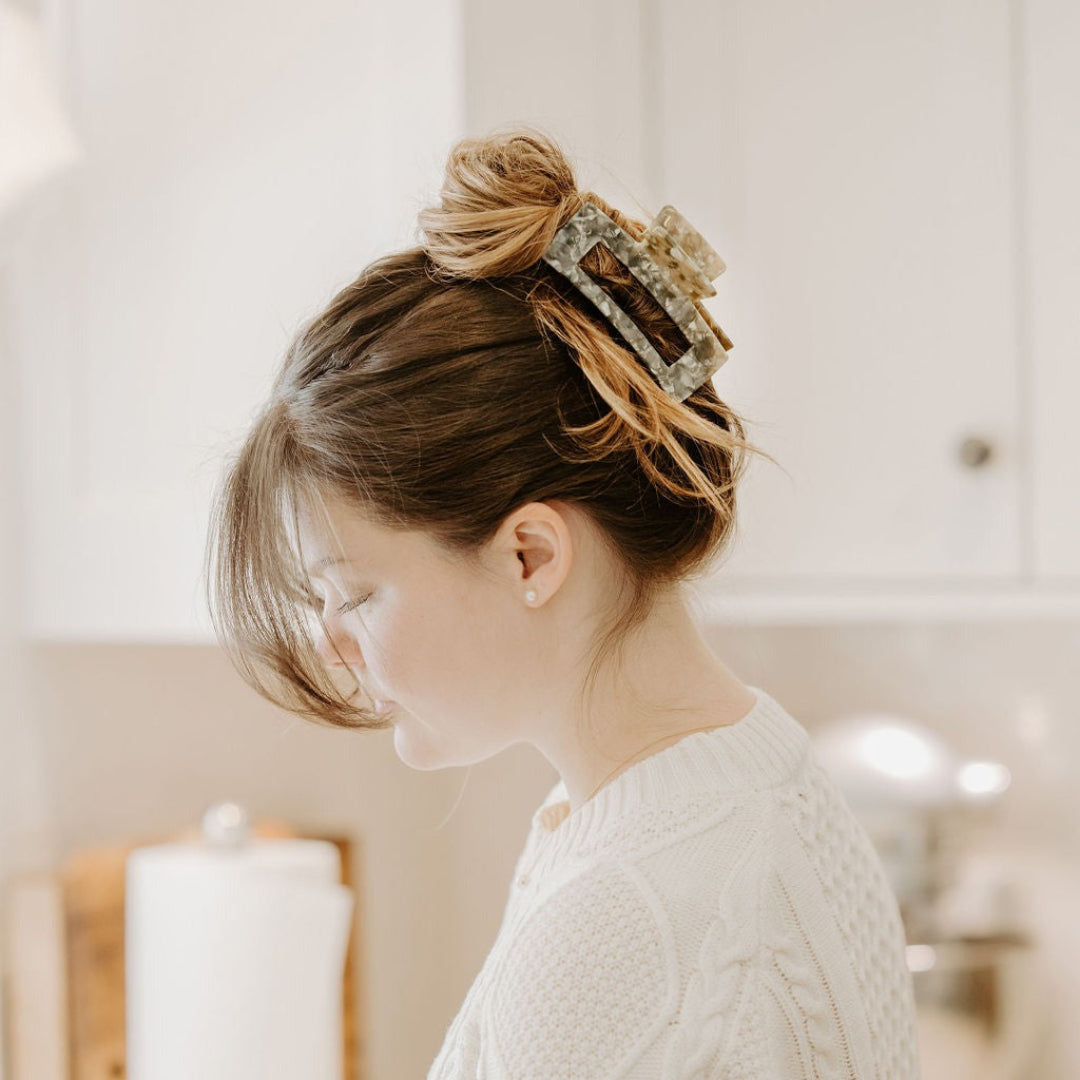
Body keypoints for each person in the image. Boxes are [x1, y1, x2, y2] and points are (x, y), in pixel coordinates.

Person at [204, 125, 921, 1079]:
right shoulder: (760, 783)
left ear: (531, 555)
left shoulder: (623, 921)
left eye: (355, 594)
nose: (333, 646)